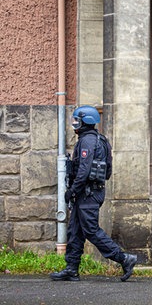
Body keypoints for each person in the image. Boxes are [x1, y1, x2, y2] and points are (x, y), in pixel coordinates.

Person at [50, 105, 137, 282]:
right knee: (75, 231)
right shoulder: (98, 139)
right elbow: (108, 171)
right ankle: (71, 268)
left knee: (91, 230)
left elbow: (84, 169)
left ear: (85, 122)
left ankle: (124, 259)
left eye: (77, 121)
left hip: (88, 193)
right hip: (87, 192)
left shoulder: (88, 141)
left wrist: (72, 190)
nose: (74, 124)